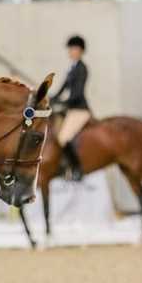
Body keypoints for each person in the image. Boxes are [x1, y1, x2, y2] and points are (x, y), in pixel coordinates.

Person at [51, 35, 91, 181]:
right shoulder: (72, 68)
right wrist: (52, 98)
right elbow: (62, 88)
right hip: (71, 107)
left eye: (73, 48)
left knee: (63, 137)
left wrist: (64, 103)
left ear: (80, 50)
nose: (71, 51)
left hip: (79, 109)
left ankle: (77, 169)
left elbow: (78, 93)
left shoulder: (82, 68)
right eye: (70, 48)